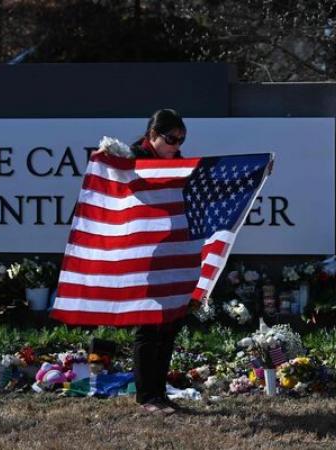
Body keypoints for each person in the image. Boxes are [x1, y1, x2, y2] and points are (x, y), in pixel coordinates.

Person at [95, 109, 200, 415]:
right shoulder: (132, 157)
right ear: (153, 135)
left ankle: (159, 392)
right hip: (145, 256)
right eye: (171, 139)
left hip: (173, 253)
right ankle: (146, 396)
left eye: (182, 139)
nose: (177, 145)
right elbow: (107, 172)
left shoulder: (178, 163)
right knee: (149, 326)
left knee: (170, 326)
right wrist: (105, 155)